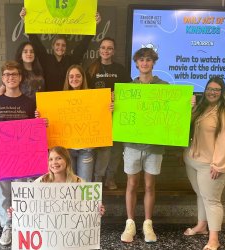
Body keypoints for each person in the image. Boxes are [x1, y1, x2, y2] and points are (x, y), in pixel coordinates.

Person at [183, 77, 225, 250]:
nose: (212, 92)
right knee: (201, 195)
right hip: (193, 161)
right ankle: (201, 226)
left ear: (222, 93)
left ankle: (214, 239)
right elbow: (185, 127)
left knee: (212, 200)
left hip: (211, 165)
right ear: (205, 90)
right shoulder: (201, 108)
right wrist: (188, 107)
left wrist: (219, 165)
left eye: (216, 89)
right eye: (209, 89)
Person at [120, 48, 168, 243]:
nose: (145, 63)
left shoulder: (164, 86)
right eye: (141, 60)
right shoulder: (129, 88)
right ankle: (130, 224)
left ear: (153, 63)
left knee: (149, 185)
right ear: (136, 63)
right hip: (132, 144)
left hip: (154, 145)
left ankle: (148, 224)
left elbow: (173, 112)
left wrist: (187, 104)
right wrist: (115, 105)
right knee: (132, 184)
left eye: (148, 60)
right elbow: (121, 115)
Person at [0, 61, 36, 246]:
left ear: (20, 77)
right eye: (7, 74)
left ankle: (23, 225)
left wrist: (42, 123)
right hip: (1, 159)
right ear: (2, 78)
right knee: (4, 195)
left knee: (22, 193)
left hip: (23, 159)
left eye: (14, 74)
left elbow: (36, 133)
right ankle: (7, 226)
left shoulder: (30, 103)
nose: (11, 77)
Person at [87, 37, 132, 189]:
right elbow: (85, 92)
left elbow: (130, 92)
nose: (106, 51)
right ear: (99, 50)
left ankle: (110, 177)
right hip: (98, 115)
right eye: (103, 48)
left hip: (118, 114)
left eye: (109, 48)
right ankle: (99, 178)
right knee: (103, 149)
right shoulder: (91, 69)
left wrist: (118, 97)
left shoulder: (120, 70)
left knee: (117, 148)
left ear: (114, 51)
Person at [20, 7, 101, 91]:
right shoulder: (46, 59)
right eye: (57, 44)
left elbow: (82, 46)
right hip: (49, 98)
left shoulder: (71, 60)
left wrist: (94, 25)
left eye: (63, 45)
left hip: (67, 98)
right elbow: (35, 42)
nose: (60, 47)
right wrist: (26, 21)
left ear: (66, 48)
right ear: (53, 46)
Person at [7, 146, 105, 215]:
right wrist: (16, 212)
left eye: (59, 158)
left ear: (67, 161)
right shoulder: (40, 182)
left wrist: (97, 211)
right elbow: (28, 206)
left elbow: (87, 209)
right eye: (51, 159)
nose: (54, 162)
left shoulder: (79, 183)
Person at [63, 65, 94, 182]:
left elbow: (99, 114)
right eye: (71, 76)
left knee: (84, 185)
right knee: (70, 185)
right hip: (68, 148)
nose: (74, 79)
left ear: (83, 78)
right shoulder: (60, 98)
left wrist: (109, 108)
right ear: (67, 79)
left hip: (86, 148)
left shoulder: (93, 96)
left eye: (78, 76)